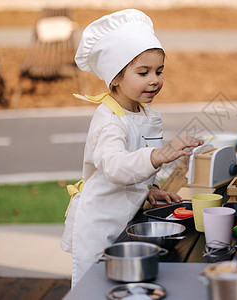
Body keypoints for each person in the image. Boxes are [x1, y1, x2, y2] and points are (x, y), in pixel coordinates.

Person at [60, 9, 203, 288]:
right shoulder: (109, 121)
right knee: (96, 288)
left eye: (159, 71)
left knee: (126, 286)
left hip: (126, 221)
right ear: (115, 77)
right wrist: (160, 155)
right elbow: (116, 168)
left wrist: (150, 190)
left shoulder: (142, 112)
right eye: (143, 72)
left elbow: (137, 167)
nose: (155, 80)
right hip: (100, 227)